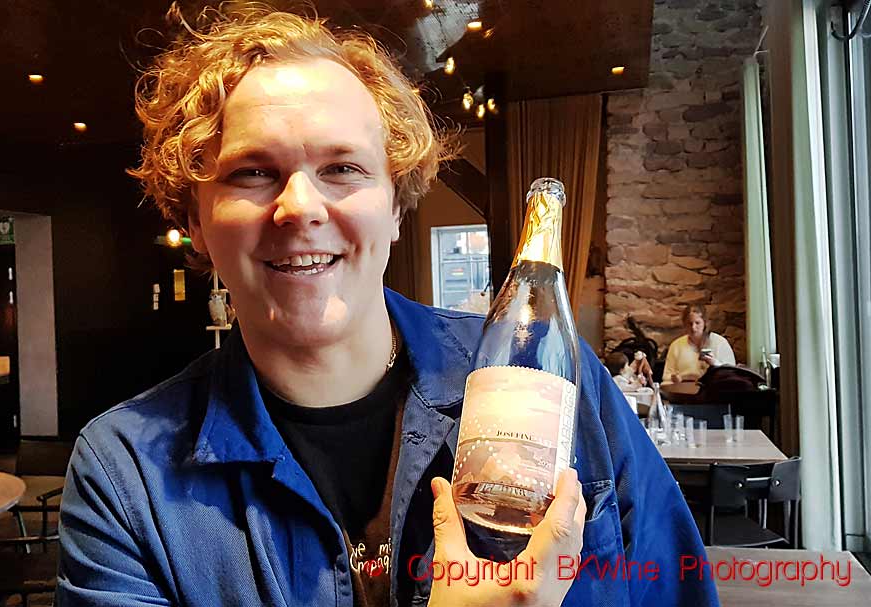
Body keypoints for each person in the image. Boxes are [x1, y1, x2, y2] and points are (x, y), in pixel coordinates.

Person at [56, 9, 717, 607]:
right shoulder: (128, 475)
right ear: (196, 223)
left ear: (397, 206)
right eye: (251, 172)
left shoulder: (556, 387)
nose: (302, 208)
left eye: (342, 168)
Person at [662, 304, 736, 385]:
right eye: (690, 323)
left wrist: (715, 363)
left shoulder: (719, 343)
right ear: (684, 325)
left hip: (714, 390)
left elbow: (732, 373)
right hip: (685, 391)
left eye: (697, 323)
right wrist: (677, 377)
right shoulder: (676, 345)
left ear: (705, 323)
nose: (693, 327)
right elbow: (666, 376)